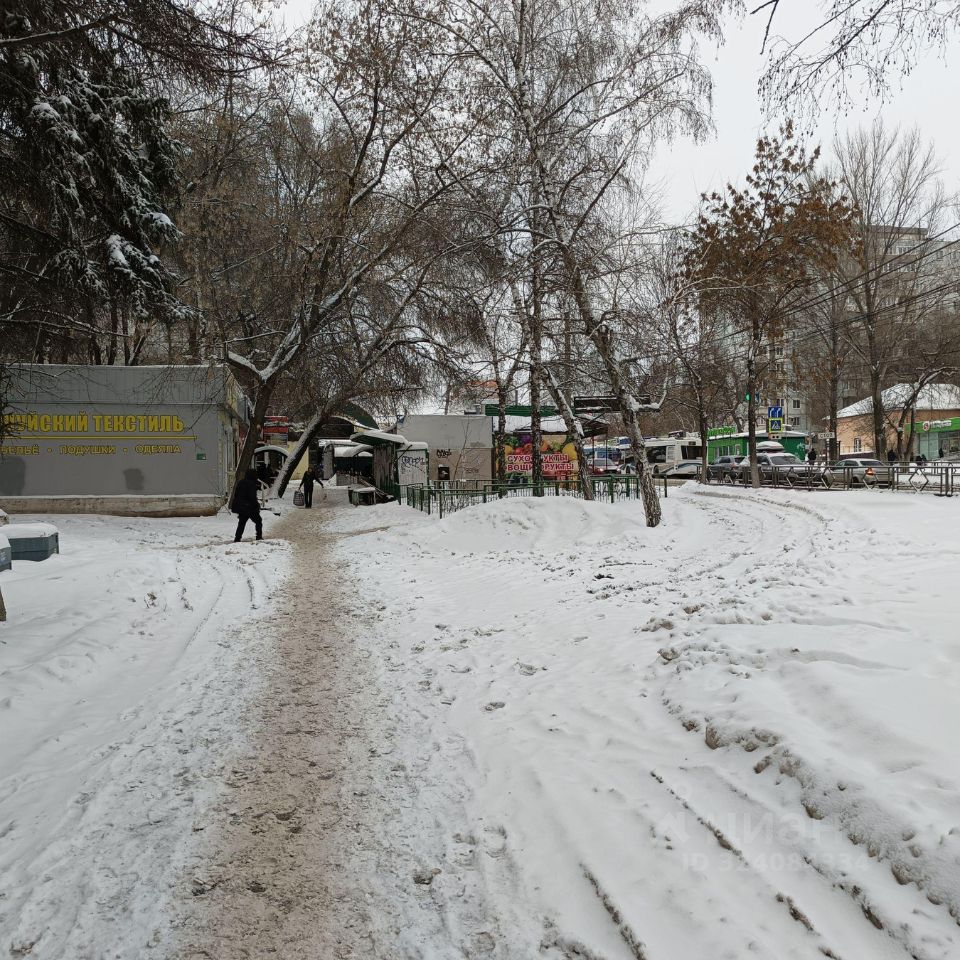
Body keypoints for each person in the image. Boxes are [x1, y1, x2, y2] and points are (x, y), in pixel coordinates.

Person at [232, 468, 263, 542]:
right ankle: (259, 536)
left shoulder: (241, 482)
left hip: (241, 507)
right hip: (249, 507)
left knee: (241, 523)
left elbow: (236, 494)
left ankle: (237, 538)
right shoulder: (251, 484)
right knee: (258, 521)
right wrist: (256, 506)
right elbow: (252, 497)